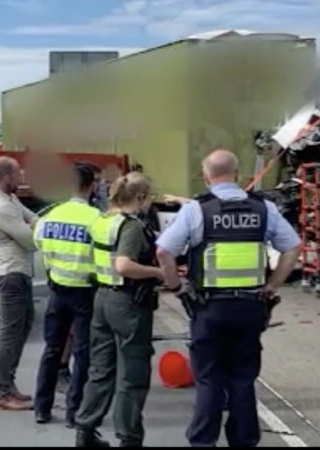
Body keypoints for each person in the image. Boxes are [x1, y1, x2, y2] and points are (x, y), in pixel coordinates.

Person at [156, 149, 300, 447]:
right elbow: (292, 248)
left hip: (208, 308)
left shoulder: (197, 209)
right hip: (250, 308)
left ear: (206, 175)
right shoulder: (264, 208)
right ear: (238, 174)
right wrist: (273, 284)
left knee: (209, 379)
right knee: (243, 379)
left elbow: (163, 251)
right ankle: (244, 442)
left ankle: (203, 442)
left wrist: (176, 286)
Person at [74, 172, 162, 448]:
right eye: (149, 197)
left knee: (101, 368)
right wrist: (157, 272)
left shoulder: (102, 220)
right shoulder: (131, 225)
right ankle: (129, 438)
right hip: (127, 303)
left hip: (101, 298)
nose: (150, 203)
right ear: (139, 197)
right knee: (132, 374)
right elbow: (123, 265)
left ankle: (85, 431)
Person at [32, 163, 101, 426]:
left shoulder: (50, 216)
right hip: (85, 292)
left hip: (57, 290)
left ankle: (42, 408)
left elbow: (39, 242)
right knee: (83, 353)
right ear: (91, 186)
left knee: (52, 350)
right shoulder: (96, 219)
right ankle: (75, 412)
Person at [0, 156, 39, 411]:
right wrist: (40, 231)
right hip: (10, 273)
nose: (22, 179)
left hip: (19, 271)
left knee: (23, 326)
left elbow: (34, 219)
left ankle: (8, 384)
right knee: (10, 332)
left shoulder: (10, 199)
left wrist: (39, 225)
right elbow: (30, 239)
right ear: (7, 177)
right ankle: (1, 392)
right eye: (18, 175)